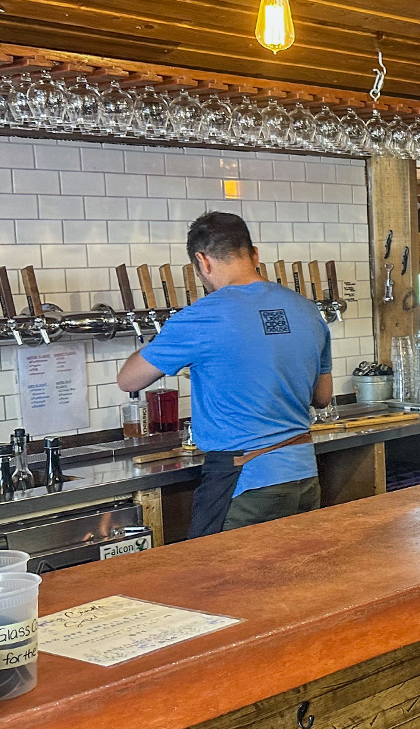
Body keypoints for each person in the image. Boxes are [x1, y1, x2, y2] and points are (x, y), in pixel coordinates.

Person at [117, 212, 333, 538]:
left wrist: (171, 341)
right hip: (303, 476)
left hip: (244, 482)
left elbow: (128, 380)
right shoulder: (306, 309)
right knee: (296, 569)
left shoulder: (202, 317)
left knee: (220, 572)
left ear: (203, 261)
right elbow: (322, 397)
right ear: (254, 254)